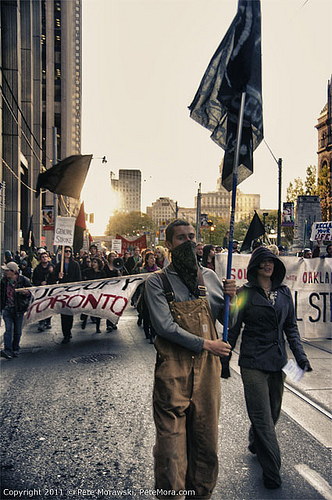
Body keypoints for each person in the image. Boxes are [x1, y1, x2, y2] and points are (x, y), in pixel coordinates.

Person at [144, 219, 237, 499]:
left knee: (206, 446)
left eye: (192, 236)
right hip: (173, 373)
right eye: (181, 237)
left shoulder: (209, 277)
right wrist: (206, 343)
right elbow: (165, 327)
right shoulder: (156, 281)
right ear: (169, 244)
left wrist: (235, 297)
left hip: (208, 374)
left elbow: (227, 318)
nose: (189, 241)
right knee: (171, 454)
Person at [225, 246, 312, 490]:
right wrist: (225, 358)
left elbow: (291, 328)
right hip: (252, 362)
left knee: (272, 414)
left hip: (277, 362)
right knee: (263, 419)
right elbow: (233, 328)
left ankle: (255, 441)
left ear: (276, 266)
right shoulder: (245, 293)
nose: (267, 265)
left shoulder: (284, 293)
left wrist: (301, 357)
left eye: (271, 262)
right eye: (263, 262)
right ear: (255, 265)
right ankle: (272, 472)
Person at [1, 262, 32, 359]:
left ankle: (15, 348)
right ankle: (7, 350)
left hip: (18, 309)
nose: (5, 272)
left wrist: (25, 292)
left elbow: (31, 292)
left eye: (7, 270)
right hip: (7, 309)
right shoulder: (3, 281)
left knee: (17, 330)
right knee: (8, 329)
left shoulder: (23, 280)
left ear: (13, 271)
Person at [55, 246, 82, 344]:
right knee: (63, 313)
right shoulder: (59, 265)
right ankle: (65, 334)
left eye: (69, 251)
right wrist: (59, 277)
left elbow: (78, 278)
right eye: (65, 251)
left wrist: (77, 290)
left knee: (70, 313)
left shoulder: (75, 265)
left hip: (71, 292)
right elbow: (54, 278)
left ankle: (69, 330)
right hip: (62, 292)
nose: (67, 253)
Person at [32, 250, 56, 331]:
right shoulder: (37, 269)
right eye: (43, 257)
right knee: (41, 306)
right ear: (40, 259)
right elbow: (34, 280)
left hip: (49, 290)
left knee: (49, 306)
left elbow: (55, 280)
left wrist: (52, 273)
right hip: (41, 291)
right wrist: (40, 283)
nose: (45, 258)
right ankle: (41, 322)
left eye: (46, 257)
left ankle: (48, 321)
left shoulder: (52, 267)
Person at [81, 257, 105, 333]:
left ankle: (98, 327)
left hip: (98, 293)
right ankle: (84, 320)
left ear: (98, 264)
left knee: (98, 310)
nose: (93, 264)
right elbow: (80, 274)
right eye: (92, 262)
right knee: (87, 308)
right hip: (89, 293)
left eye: (95, 262)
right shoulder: (88, 271)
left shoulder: (102, 273)